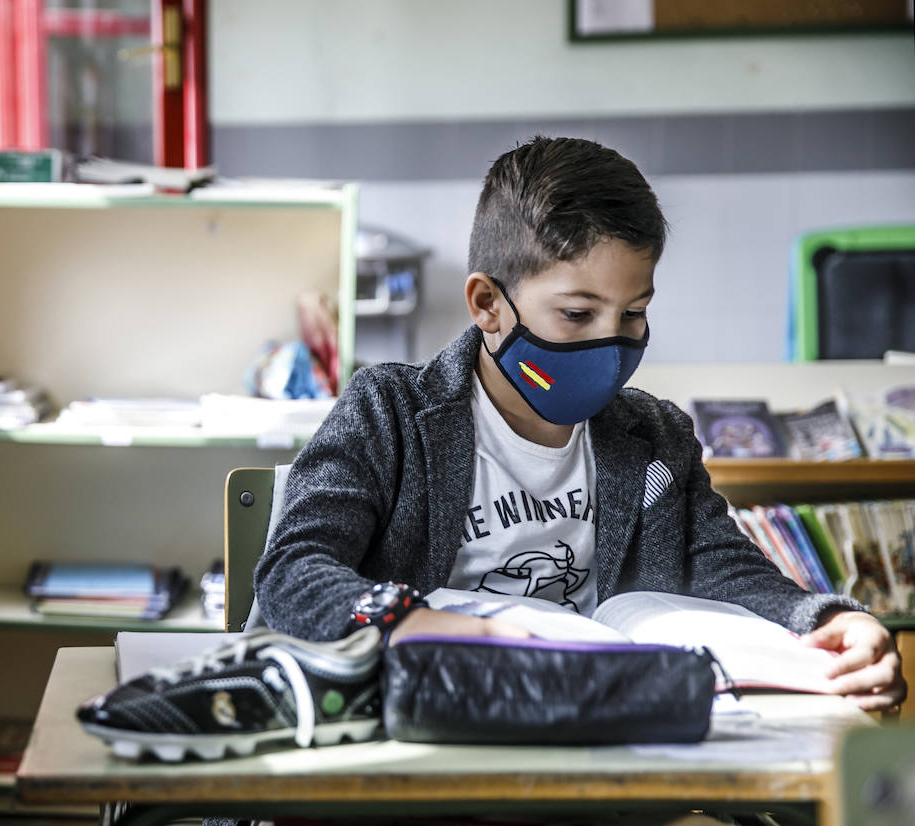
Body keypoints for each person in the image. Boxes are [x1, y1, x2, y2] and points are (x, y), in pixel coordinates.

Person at [254, 136, 905, 712]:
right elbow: (292, 571)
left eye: (633, 314)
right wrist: (415, 623)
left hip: (605, 733)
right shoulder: (388, 412)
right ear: (488, 305)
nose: (610, 343)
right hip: (424, 728)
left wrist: (825, 619)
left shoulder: (656, 436)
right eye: (577, 313)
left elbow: (721, 567)